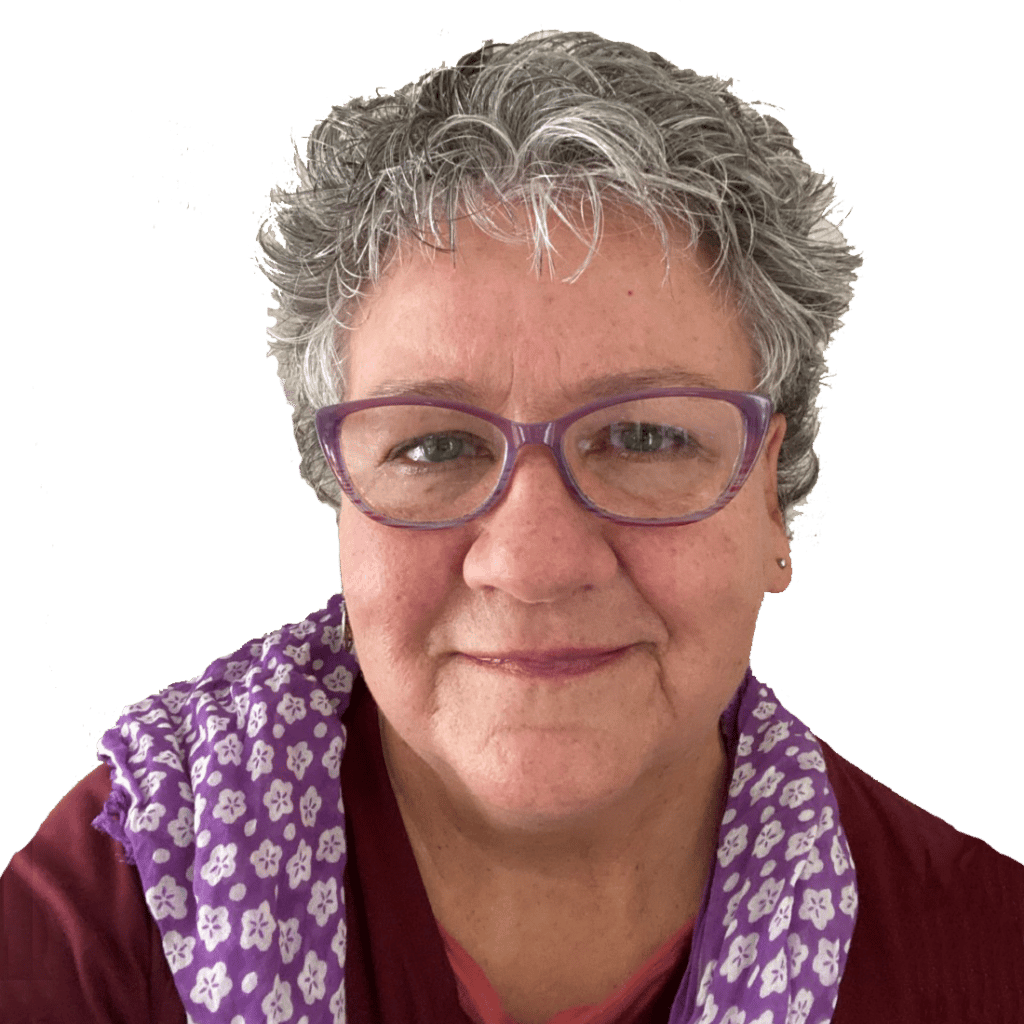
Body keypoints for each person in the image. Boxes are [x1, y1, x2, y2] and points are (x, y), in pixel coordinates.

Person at [2, 28, 1021, 1024]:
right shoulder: (108, 912)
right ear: (337, 493)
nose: (533, 564)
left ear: (771, 500)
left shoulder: (984, 955)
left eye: (644, 437)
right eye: (435, 447)